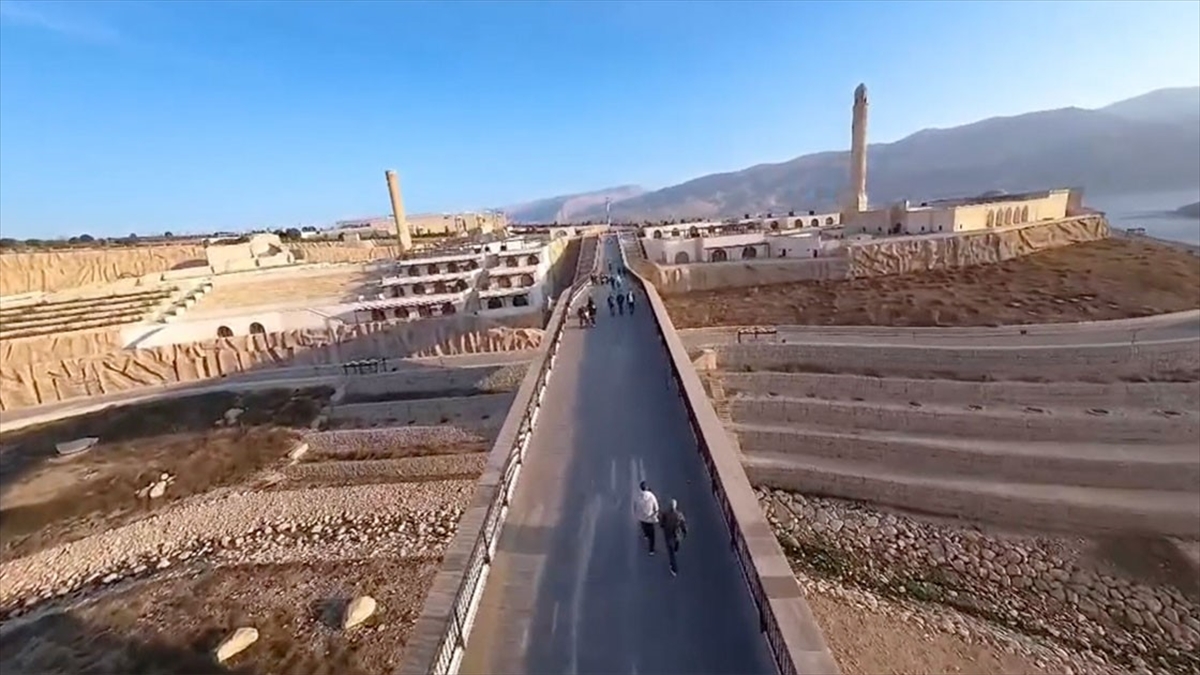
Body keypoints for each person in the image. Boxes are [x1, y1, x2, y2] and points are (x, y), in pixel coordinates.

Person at [659, 499, 688, 576]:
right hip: (676, 534)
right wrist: (685, 532)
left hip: (668, 534)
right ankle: (676, 549)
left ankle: (674, 568)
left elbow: (662, 523)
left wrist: (662, 526)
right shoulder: (679, 515)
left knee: (671, 553)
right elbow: (683, 525)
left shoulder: (666, 514)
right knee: (677, 542)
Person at [635, 481, 660, 555]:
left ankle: (646, 535)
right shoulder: (651, 496)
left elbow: (635, 506)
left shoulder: (638, 497)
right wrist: (655, 514)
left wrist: (637, 514)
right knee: (652, 536)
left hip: (641, 517)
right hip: (650, 518)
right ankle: (651, 550)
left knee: (644, 526)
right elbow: (656, 507)